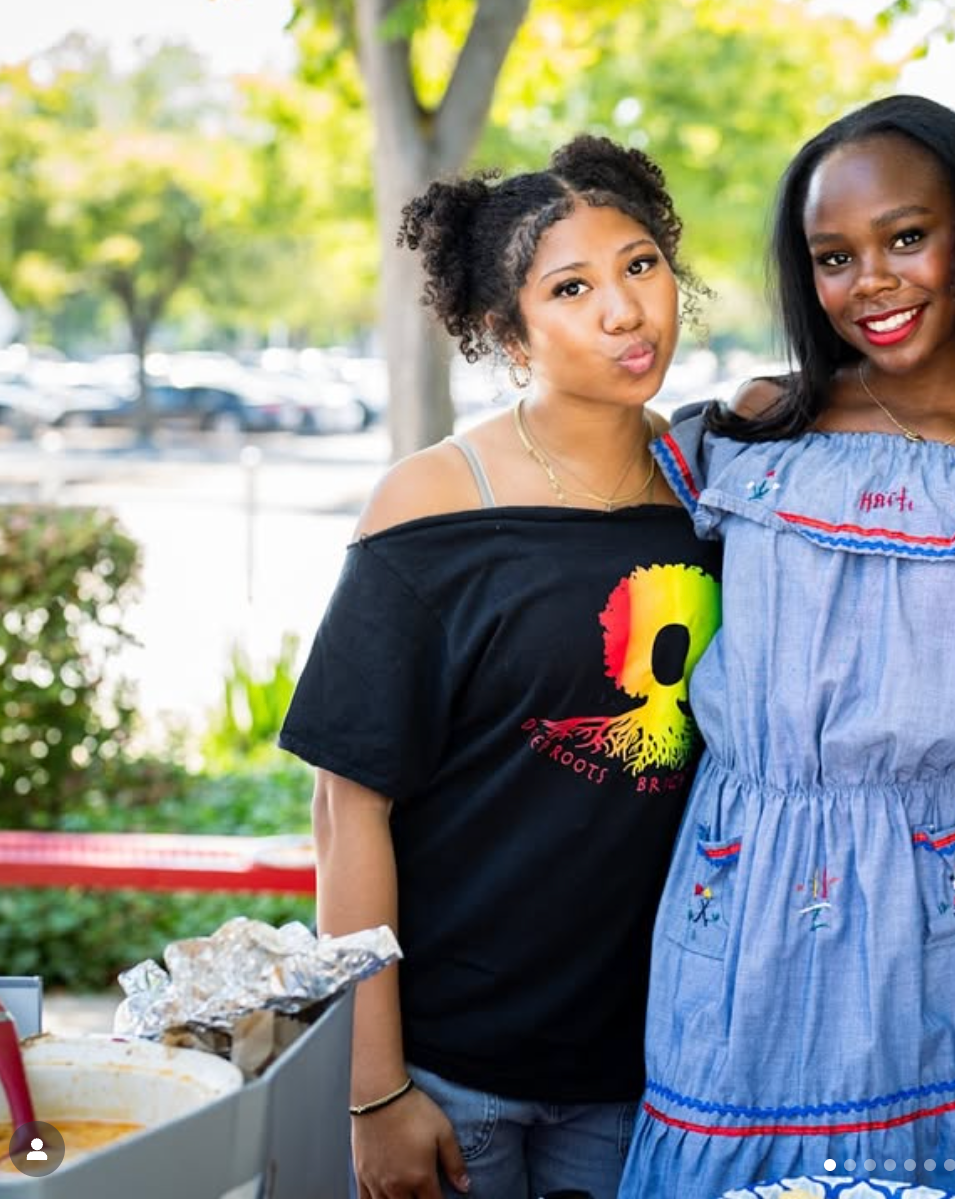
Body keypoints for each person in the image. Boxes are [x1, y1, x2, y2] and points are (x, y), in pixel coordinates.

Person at [618, 96, 955, 1199]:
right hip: (739, 865)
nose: (870, 282)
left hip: (950, 879)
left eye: (904, 237)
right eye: (832, 256)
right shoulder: (761, 423)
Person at [279, 135, 722, 1199]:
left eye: (639, 265)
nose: (623, 310)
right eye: (570, 287)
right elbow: (348, 806)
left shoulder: (715, 488)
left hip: (649, 1067)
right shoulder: (434, 502)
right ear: (502, 330)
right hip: (451, 1067)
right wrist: (373, 1086)